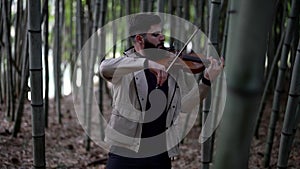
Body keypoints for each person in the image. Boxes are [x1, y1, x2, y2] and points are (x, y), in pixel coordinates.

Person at [99, 13, 224, 169]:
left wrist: (206, 80)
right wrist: (146, 63)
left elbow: (185, 105)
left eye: (162, 33)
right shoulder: (125, 67)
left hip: (159, 153)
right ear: (139, 39)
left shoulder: (173, 68)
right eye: (156, 34)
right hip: (125, 150)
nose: (162, 38)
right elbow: (104, 67)